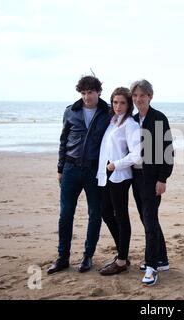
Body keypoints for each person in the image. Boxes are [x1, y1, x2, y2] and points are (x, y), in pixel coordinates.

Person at [48, 75, 110, 274]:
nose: (86, 97)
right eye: (83, 93)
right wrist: (60, 168)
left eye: (90, 92)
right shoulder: (71, 111)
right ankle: (63, 257)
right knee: (66, 214)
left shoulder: (108, 112)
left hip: (94, 171)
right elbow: (63, 141)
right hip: (70, 169)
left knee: (95, 214)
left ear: (98, 92)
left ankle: (87, 256)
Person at [130, 79, 174, 286]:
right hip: (135, 177)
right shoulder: (131, 120)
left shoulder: (158, 118)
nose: (139, 99)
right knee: (148, 219)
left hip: (152, 178)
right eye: (135, 96)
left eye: (142, 95)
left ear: (150, 97)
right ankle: (162, 259)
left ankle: (151, 266)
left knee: (149, 220)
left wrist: (162, 179)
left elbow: (167, 150)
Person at [96, 87, 142, 276]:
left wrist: (116, 164)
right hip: (106, 175)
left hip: (120, 176)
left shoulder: (130, 125)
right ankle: (122, 254)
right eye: (115, 102)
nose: (118, 106)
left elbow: (137, 155)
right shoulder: (113, 122)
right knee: (106, 213)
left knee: (121, 216)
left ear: (129, 104)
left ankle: (122, 260)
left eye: (122, 102)